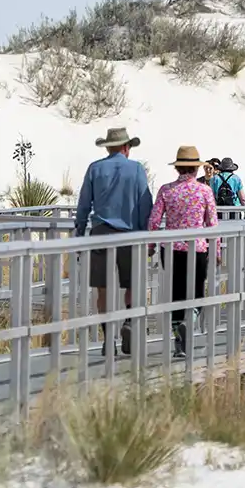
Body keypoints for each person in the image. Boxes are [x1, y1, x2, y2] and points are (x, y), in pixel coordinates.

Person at [74, 127, 153, 356]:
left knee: (103, 289)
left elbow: (84, 204)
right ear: (127, 147)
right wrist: (145, 234)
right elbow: (144, 204)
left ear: (108, 147)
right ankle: (129, 320)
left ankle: (109, 336)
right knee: (132, 284)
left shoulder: (95, 168)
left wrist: (80, 230)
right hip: (130, 234)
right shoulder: (137, 169)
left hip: (101, 232)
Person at [148, 145, 219, 358]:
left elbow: (154, 220)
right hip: (197, 248)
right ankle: (191, 321)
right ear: (196, 169)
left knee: (176, 294)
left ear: (177, 168)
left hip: (171, 249)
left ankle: (179, 341)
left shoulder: (166, 190)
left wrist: (150, 246)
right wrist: (216, 251)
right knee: (196, 292)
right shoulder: (204, 191)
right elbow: (212, 223)